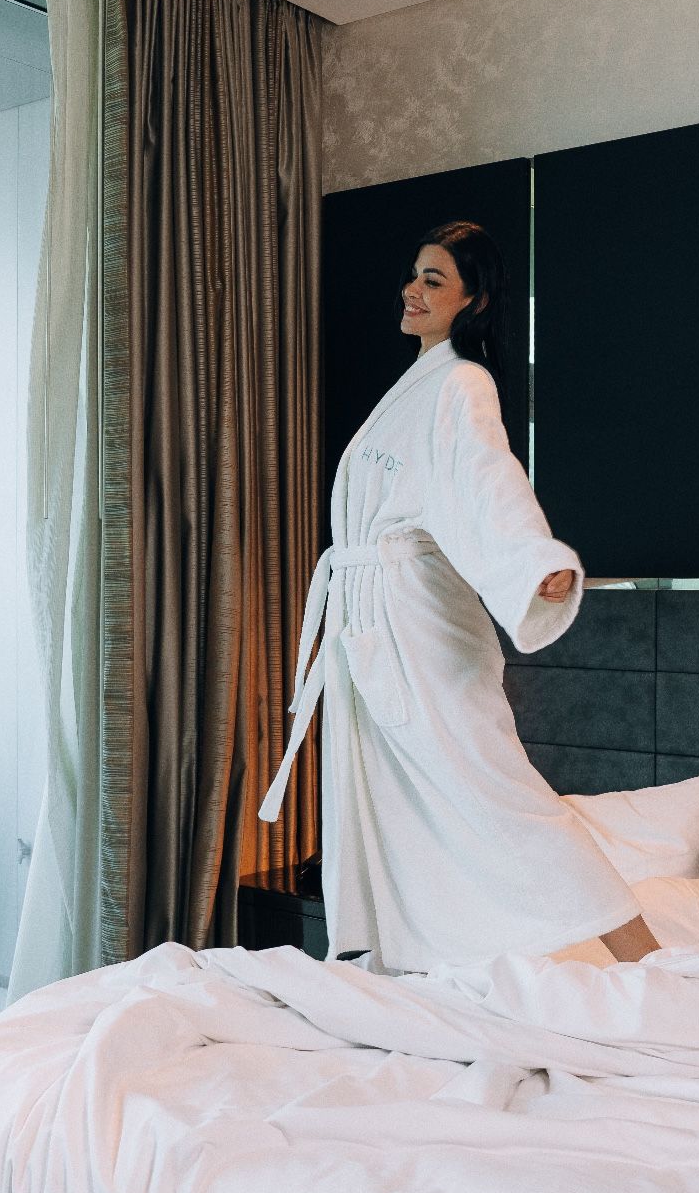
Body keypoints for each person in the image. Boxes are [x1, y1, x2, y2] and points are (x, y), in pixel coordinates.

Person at [260, 220, 660, 971]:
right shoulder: (414, 387)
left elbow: (487, 478)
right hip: (376, 623)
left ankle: (647, 956)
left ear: (472, 301)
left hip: (419, 629)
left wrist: (531, 560)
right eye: (414, 274)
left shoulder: (462, 384)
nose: (413, 289)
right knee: (395, 798)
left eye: (435, 279)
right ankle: (415, 961)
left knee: (499, 793)